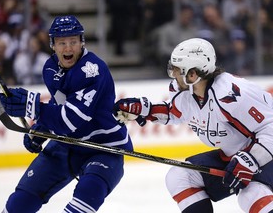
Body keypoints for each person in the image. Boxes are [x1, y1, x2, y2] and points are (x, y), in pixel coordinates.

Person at [113, 38, 273, 212]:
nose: (173, 74)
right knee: (180, 177)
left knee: (251, 195)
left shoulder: (231, 95)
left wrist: (252, 160)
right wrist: (145, 109)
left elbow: (270, 128)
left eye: (177, 69)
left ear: (193, 74)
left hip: (265, 157)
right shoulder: (187, 91)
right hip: (234, 157)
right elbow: (175, 111)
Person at [0, 15, 133, 213]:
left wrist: (32, 107)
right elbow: (60, 102)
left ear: (82, 42)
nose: (68, 48)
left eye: (73, 42)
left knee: (88, 193)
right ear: (52, 44)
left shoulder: (92, 70)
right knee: (19, 203)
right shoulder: (50, 68)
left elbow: (72, 120)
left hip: (104, 149)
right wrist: (40, 129)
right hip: (66, 145)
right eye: (62, 43)